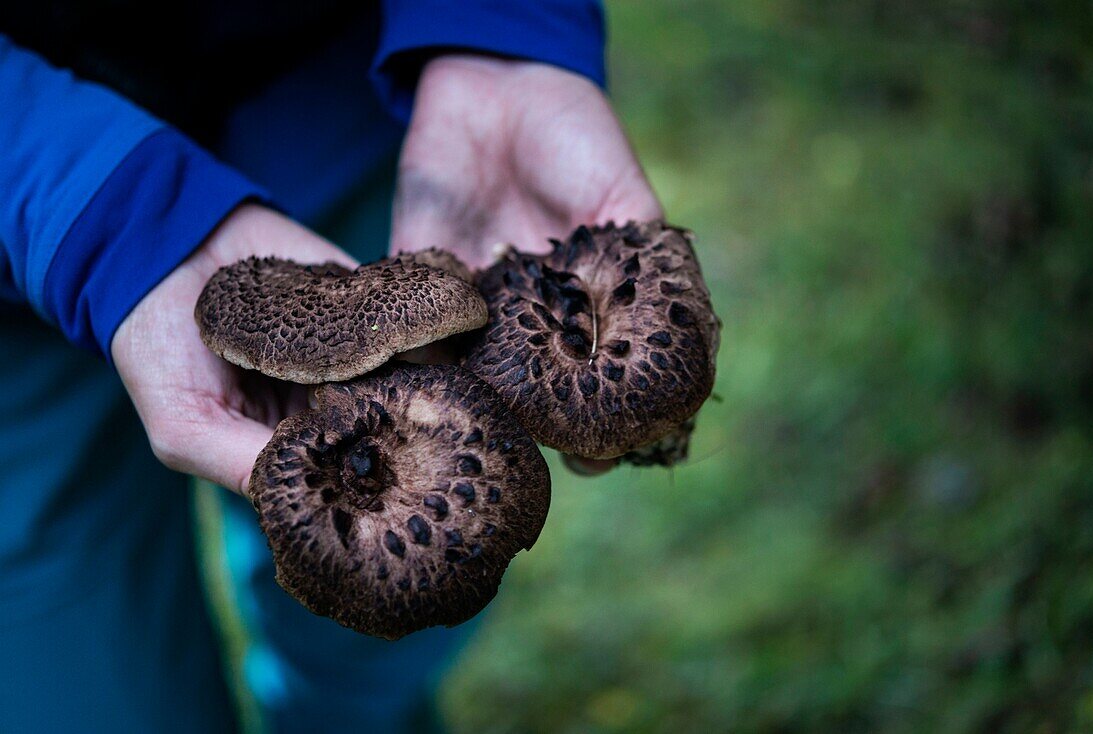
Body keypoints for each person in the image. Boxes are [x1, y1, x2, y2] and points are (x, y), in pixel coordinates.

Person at [0, 2, 661, 731]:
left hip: (350, 114)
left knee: (384, 611)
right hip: (18, 261)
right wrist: (104, 216)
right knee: (93, 688)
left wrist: (498, 31)